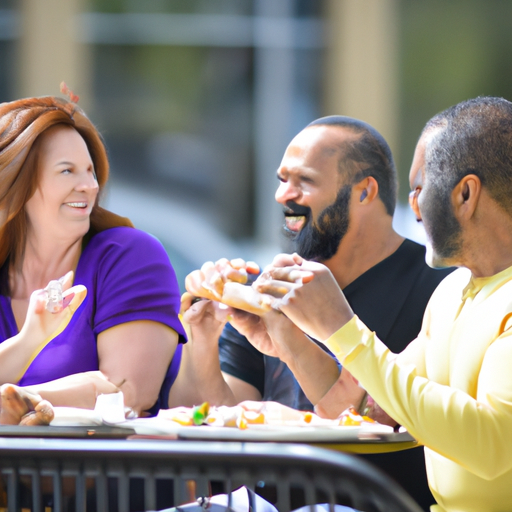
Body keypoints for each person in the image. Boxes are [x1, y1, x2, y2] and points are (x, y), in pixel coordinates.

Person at [172, 116, 452, 510]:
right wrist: (202, 338)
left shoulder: (439, 290)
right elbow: (218, 418)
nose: (283, 194)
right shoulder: (263, 288)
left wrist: (294, 345)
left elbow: (376, 419)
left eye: (303, 180)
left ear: (364, 192)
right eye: (281, 179)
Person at [257, 96, 512, 512]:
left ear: (465, 194)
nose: (411, 209)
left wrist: (343, 325)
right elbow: (368, 410)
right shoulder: (452, 292)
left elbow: (491, 446)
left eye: (419, 188)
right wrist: (286, 338)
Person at [0, 95, 186, 419]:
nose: (88, 186)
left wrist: (22, 402)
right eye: (67, 171)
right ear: (17, 185)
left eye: (90, 171)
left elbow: (127, 393)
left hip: (107, 469)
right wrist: (29, 340)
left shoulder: (130, 257)